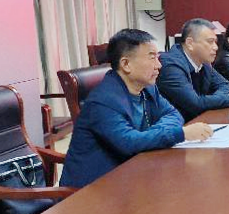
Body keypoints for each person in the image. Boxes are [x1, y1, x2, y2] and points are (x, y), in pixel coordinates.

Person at [60, 29, 214, 188]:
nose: (159, 65)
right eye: (152, 57)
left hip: (133, 175)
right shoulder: (102, 101)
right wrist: (180, 134)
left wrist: (150, 135)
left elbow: (173, 114)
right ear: (126, 64)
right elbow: (129, 143)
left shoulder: (147, 87)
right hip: (94, 189)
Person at [157, 18, 229, 121]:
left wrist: (211, 100)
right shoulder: (171, 66)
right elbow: (195, 104)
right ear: (190, 43)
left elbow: (227, 85)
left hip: (200, 121)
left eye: (215, 42)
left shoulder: (204, 62)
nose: (215, 47)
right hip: (178, 127)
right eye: (210, 41)